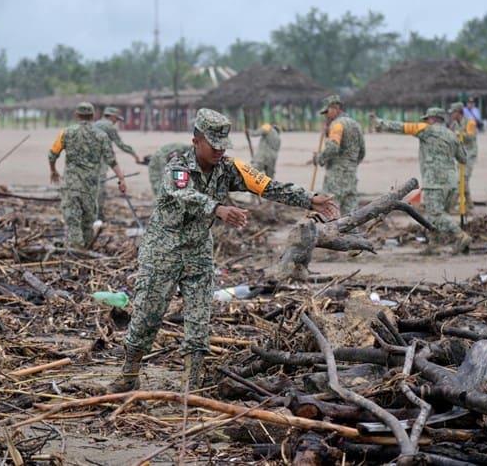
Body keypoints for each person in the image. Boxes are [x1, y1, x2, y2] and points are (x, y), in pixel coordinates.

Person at [109, 108, 339, 392]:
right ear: (196, 141)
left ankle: (190, 387)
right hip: (163, 251)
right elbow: (183, 194)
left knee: (198, 320)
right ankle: (129, 375)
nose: (219, 151)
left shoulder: (229, 168)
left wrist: (308, 199)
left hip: (199, 253)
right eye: (213, 145)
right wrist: (217, 208)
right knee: (147, 315)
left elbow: (267, 186)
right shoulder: (177, 166)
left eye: (223, 145)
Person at [372, 108, 471, 253]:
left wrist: (380, 123)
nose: (425, 121)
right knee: (438, 215)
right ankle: (434, 244)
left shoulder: (426, 129)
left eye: (427, 119)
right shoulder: (452, 135)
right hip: (451, 183)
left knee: (436, 214)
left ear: (432, 119)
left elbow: (402, 127)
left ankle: (460, 235)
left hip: (434, 181)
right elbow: (463, 158)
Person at [49, 102, 128, 249]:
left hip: (71, 184)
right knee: (88, 219)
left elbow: (52, 154)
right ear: (93, 116)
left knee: (72, 218)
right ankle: (86, 248)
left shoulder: (66, 132)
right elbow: (111, 160)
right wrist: (121, 179)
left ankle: (76, 249)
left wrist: (53, 171)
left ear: (77, 115)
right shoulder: (101, 135)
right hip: (90, 186)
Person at [314, 95, 365, 215]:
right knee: (351, 215)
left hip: (335, 176)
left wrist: (319, 158)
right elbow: (362, 151)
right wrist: (351, 164)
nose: (326, 116)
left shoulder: (337, 125)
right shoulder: (356, 125)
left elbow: (332, 148)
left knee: (330, 210)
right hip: (351, 175)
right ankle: (352, 234)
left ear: (334, 109)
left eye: (327, 112)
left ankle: (332, 233)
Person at [93, 106, 141, 219]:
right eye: (116, 119)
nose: (116, 122)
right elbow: (121, 145)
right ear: (112, 116)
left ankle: (90, 212)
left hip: (88, 160)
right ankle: (98, 215)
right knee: (100, 187)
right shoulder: (108, 126)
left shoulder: (95, 124)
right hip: (100, 159)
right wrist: (134, 154)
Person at [448, 102, 478, 209]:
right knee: (462, 179)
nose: (451, 115)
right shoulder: (454, 124)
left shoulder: (470, 123)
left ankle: (451, 205)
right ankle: (470, 204)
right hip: (460, 155)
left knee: (462, 179)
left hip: (469, 155)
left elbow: (470, 137)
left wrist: (458, 134)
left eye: (453, 113)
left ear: (458, 112)